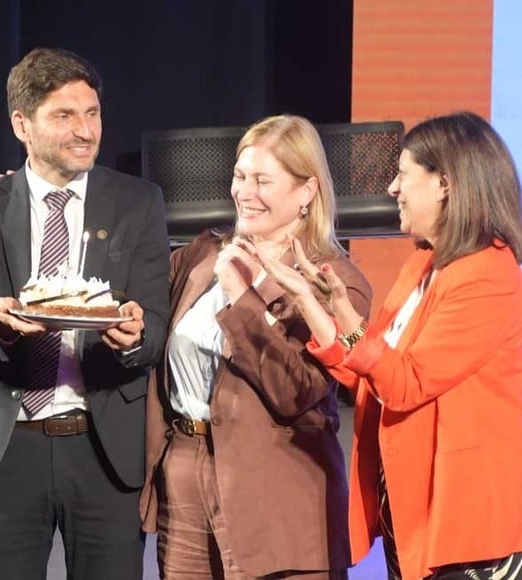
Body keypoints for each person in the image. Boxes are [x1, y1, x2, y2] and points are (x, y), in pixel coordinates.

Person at [255, 112, 522, 579]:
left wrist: (346, 314)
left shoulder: (488, 274)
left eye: (402, 176)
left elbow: (406, 383)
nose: (393, 190)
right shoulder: (423, 264)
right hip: (409, 506)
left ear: (445, 184)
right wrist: (311, 301)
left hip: (464, 521)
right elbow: (366, 369)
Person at [0, 47, 170, 579]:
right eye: (64, 116)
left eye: (91, 114)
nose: (85, 130)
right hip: (5, 450)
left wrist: (135, 335)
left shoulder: (138, 202)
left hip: (103, 449)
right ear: (22, 123)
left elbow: (156, 328)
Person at [140, 115, 372, 579]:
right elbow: (129, 290)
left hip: (277, 491)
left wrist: (243, 296)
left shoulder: (335, 281)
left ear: (306, 192)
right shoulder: (202, 256)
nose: (244, 192)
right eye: (240, 176)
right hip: (184, 483)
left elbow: (297, 389)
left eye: (263, 180)